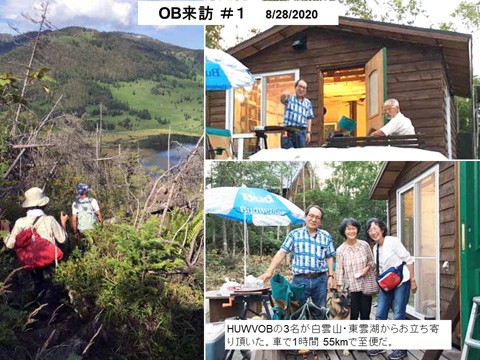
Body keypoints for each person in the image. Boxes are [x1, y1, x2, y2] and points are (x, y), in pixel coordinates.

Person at [258, 205, 336, 308]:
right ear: (305, 217)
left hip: (320, 280)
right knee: (298, 312)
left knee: (320, 311)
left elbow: (329, 256)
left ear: (320, 221)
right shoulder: (295, 234)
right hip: (300, 280)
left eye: (317, 217)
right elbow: (282, 252)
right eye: (311, 216)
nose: (313, 219)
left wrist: (330, 276)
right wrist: (269, 271)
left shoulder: (326, 236)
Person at [365, 218, 417, 360]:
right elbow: (381, 269)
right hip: (387, 285)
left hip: (402, 281)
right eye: (370, 230)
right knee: (380, 313)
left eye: (375, 228)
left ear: (382, 229)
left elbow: (409, 259)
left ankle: (402, 349)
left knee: (399, 314)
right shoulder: (375, 248)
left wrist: (413, 280)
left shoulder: (392, 241)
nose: (373, 232)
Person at [4, 187, 68, 297]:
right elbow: (63, 239)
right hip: (51, 259)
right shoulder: (50, 219)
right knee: (56, 286)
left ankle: (40, 307)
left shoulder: (20, 222)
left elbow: (10, 245)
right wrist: (63, 223)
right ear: (43, 204)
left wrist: (5, 230)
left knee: (38, 286)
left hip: (31, 261)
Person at [335, 218, 377, 321]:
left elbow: (372, 262)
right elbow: (339, 271)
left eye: (353, 228)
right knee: (352, 317)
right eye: (348, 229)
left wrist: (366, 269)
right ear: (344, 231)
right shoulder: (340, 250)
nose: (351, 231)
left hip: (365, 287)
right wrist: (339, 291)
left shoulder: (364, 245)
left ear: (357, 229)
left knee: (365, 316)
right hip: (350, 289)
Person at [280, 79, 314, 149]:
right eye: (300, 86)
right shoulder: (289, 98)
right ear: (295, 87)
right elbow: (282, 99)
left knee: (300, 155)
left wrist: (308, 132)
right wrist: (284, 94)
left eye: (304, 88)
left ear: (306, 91)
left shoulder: (308, 103)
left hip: (301, 132)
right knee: (287, 154)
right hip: (288, 130)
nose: (301, 89)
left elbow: (309, 118)